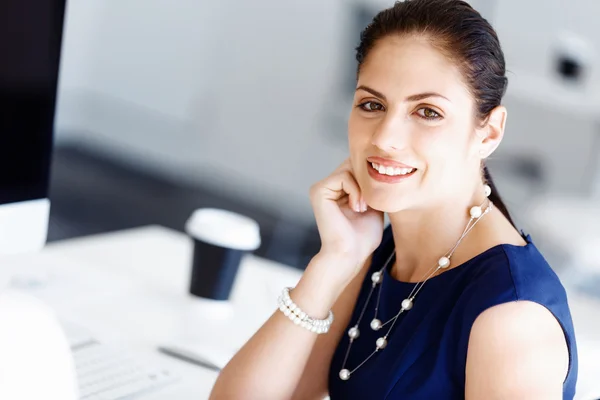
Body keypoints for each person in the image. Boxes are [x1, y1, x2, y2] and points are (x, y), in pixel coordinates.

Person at [209, 0, 578, 398]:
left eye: (427, 112)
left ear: (488, 132)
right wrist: (334, 261)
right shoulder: (381, 252)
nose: (385, 137)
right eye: (372, 104)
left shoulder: (511, 316)